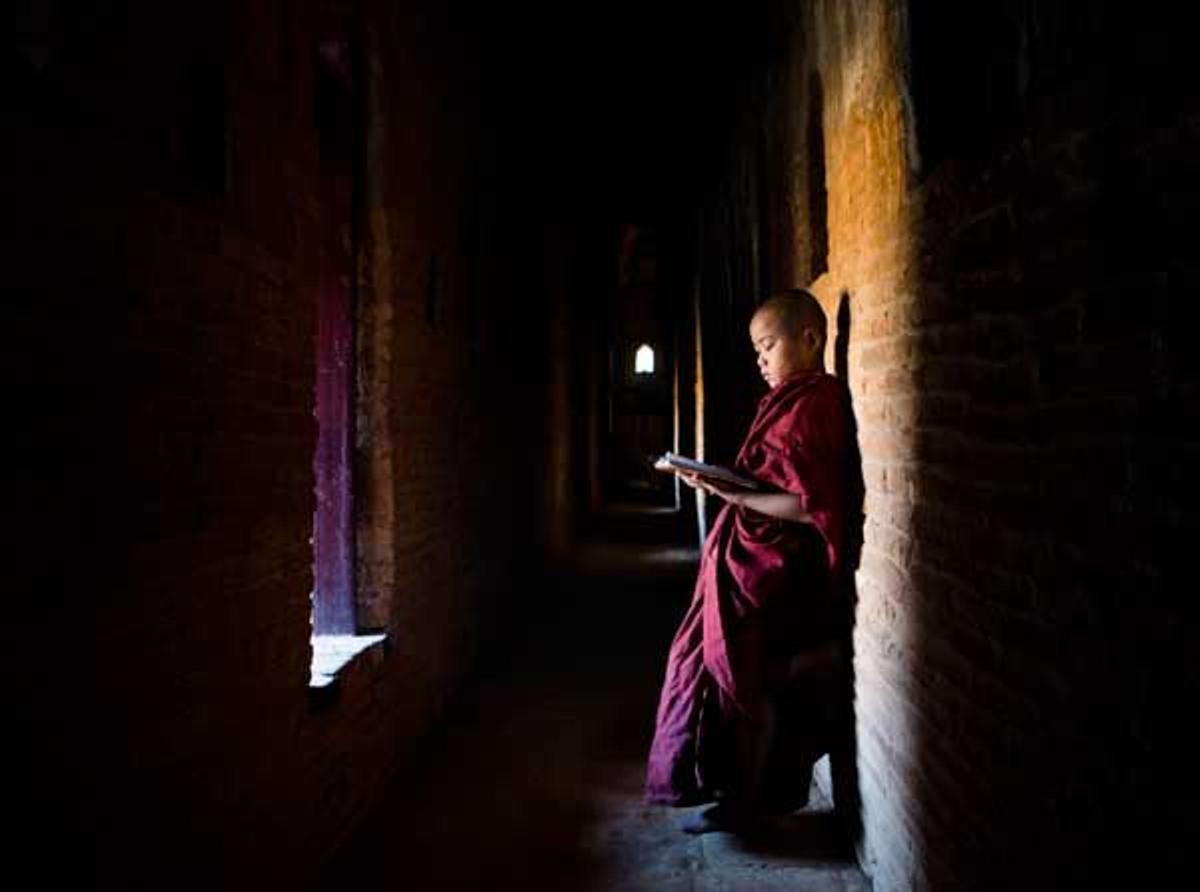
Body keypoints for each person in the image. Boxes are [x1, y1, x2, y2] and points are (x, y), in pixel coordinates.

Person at [644, 288, 849, 834]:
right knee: (720, 673)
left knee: (751, 684)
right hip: (745, 562)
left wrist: (730, 494)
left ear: (809, 339)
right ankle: (731, 790)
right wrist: (719, 484)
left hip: (774, 571)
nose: (760, 361)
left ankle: (751, 801)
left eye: (768, 346)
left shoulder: (816, 404)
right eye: (756, 351)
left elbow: (811, 506)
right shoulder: (783, 401)